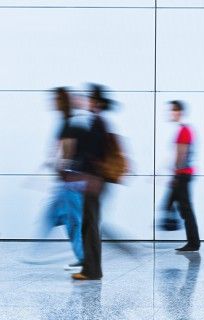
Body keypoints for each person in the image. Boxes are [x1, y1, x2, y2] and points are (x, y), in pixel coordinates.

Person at [35, 87, 85, 271]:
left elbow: (68, 150)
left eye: (55, 99)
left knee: (70, 219)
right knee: (69, 218)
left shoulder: (68, 123)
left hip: (70, 180)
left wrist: (60, 166)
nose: (52, 102)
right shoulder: (67, 122)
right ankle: (82, 256)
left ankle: (83, 257)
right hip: (70, 180)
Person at [71, 84, 111, 280]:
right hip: (93, 180)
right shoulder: (98, 122)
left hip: (93, 181)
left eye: (89, 98)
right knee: (90, 223)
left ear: (96, 102)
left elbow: (94, 155)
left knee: (90, 224)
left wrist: (89, 176)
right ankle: (91, 269)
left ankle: (92, 270)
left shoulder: (97, 122)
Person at [166, 100, 201, 252]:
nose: (171, 113)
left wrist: (175, 175)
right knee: (182, 208)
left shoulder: (183, 131)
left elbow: (181, 154)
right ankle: (193, 242)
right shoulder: (184, 130)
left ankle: (193, 243)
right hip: (184, 174)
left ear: (179, 112)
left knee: (185, 209)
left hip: (182, 175)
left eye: (173, 110)